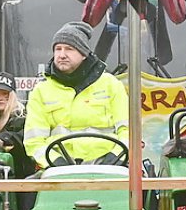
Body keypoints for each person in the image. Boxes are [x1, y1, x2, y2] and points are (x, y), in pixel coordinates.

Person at [23, 22, 129, 167]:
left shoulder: (111, 85)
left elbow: (129, 131)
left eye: (69, 49)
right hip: (57, 169)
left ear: (84, 54)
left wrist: (115, 158)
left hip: (110, 167)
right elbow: (33, 142)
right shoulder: (40, 91)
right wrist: (56, 162)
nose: (62, 55)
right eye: (57, 49)